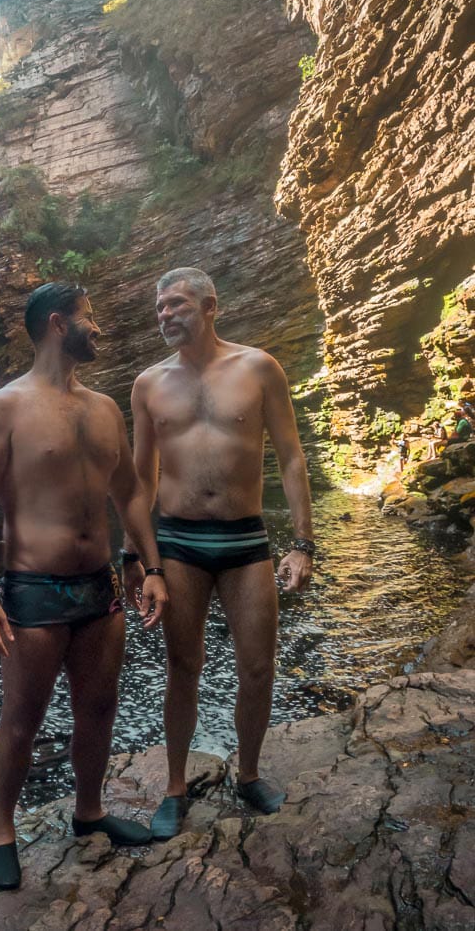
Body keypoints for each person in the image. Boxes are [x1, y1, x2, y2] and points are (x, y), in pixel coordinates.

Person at [0, 282, 168, 891]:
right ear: (57, 325)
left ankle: (90, 813)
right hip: (34, 587)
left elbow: (129, 492)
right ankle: (2, 833)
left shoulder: (104, 408)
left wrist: (149, 565)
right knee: (21, 718)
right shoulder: (6, 406)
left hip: (99, 587)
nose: (97, 327)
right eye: (89, 316)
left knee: (98, 711)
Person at [128, 268, 314, 841]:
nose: (165, 315)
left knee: (257, 666)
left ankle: (250, 774)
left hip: (244, 539)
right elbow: (139, 479)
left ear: (210, 305)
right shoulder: (148, 384)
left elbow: (291, 458)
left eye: (176, 304)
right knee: (181, 668)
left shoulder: (258, 368)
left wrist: (303, 544)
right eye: (160, 308)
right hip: (179, 542)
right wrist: (137, 557)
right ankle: (175, 787)